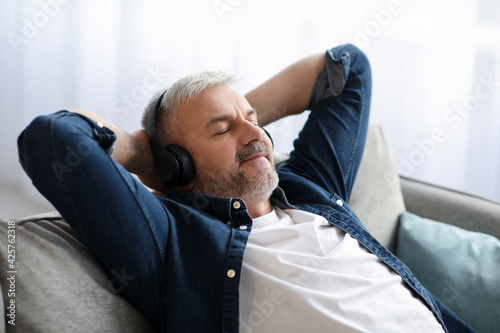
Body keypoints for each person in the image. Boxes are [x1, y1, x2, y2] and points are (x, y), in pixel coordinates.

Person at [18, 44, 474, 332]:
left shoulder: (309, 186)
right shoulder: (175, 240)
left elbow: (348, 67)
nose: (256, 135)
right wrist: (143, 155)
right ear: (177, 165)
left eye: (254, 119)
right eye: (221, 131)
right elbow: (51, 140)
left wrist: (241, 120)